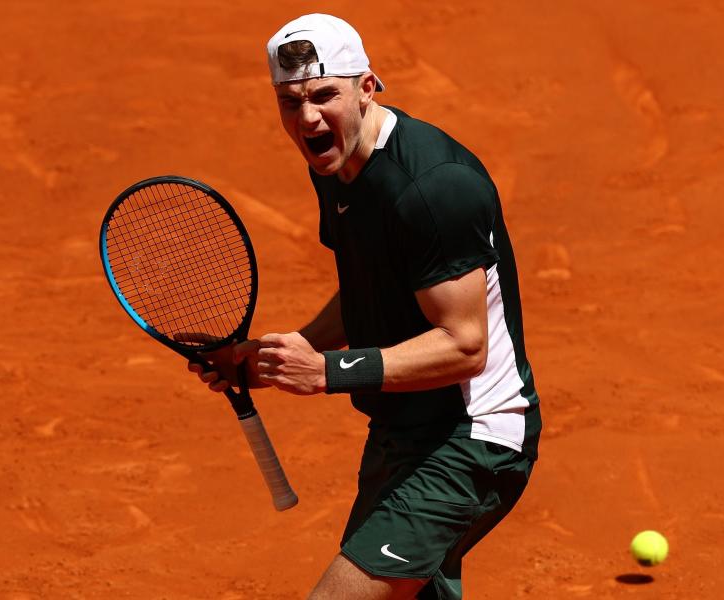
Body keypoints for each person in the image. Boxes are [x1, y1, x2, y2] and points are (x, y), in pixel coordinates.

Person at [189, 13, 542, 600]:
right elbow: (370, 291)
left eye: (325, 96)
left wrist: (325, 372)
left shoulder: (433, 188)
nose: (307, 119)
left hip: (471, 437)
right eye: (289, 101)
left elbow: (464, 346)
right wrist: (273, 356)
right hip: (402, 430)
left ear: (367, 87)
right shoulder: (335, 165)